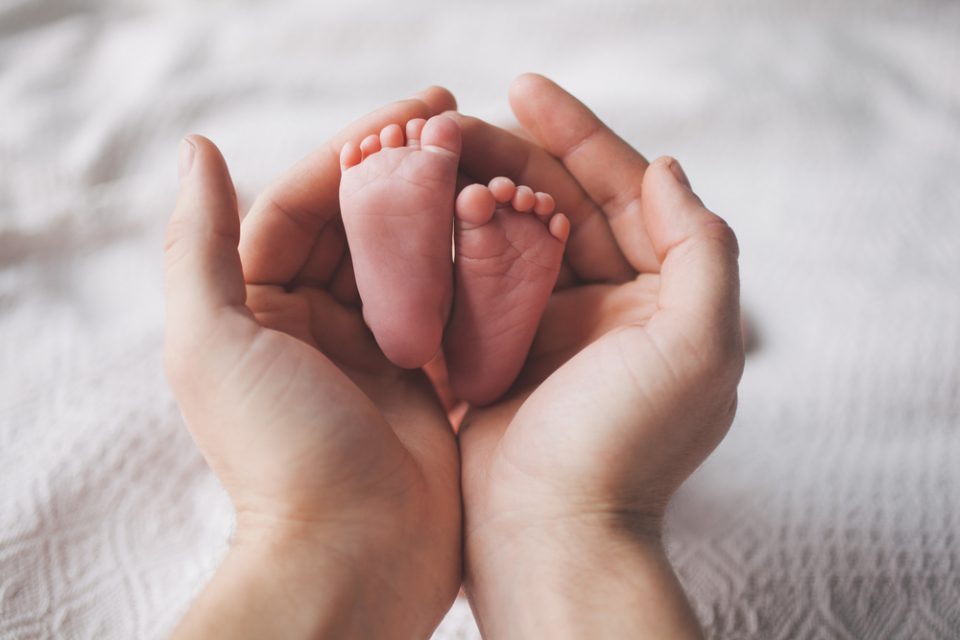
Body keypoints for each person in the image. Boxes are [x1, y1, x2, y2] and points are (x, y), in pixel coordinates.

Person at [164, 74, 744, 639]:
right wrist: (569, 519)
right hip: (539, 394)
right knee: (534, 298)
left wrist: (324, 524)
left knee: (429, 331)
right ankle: (475, 352)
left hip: (371, 397)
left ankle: (407, 326)